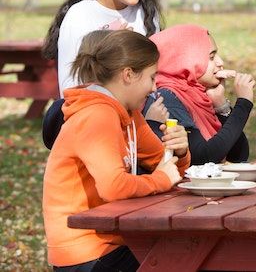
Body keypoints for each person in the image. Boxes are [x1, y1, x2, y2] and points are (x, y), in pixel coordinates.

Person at [43, 30, 190, 271]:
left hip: (116, 239)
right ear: (128, 75)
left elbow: (165, 167)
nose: (155, 89)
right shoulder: (97, 116)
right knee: (185, 259)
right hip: (86, 251)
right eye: (152, 78)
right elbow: (114, 187)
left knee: (187, 255)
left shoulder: (128, 114)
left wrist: (180, 152)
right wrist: (161, 179)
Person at [143, 24, 255, 165]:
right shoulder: (167, 97)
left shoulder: (196, 94)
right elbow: (203, 157)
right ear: (186, 60)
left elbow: (238, 156)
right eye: (211, 57)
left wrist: (222, 106)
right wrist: (243, 104)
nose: (220, 62)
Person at [42, 29, 169, 152]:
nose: (154, 88)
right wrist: (152, 124)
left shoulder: (67, 105)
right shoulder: (96, 115)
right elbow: (128, 163)